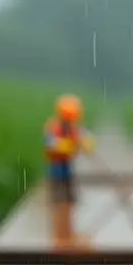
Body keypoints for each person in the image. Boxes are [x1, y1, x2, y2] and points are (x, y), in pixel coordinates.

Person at [43, 94, 94, 242]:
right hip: (56, 168)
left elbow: (85, 137)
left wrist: (87, 143)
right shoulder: (53, 128)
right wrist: (64, 145)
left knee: (69, 199)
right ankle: (59, 235)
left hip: (68, 168)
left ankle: (68, 233)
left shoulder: (75, 129)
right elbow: (49, 143)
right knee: (59, 200)